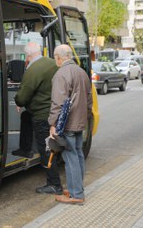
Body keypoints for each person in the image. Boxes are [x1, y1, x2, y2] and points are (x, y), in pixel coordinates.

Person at [14, 42, 63, 194]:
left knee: (46, 149)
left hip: (42, 115)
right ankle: (25, 149)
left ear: (28, 56)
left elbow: (22, 98)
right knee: (51, 144)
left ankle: (54, 184)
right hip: (55, 112)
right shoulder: (52, 63)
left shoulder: (33, 70)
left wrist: (18, 101)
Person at [48, 44, 92, 205]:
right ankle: (77, 188)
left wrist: (52, 123)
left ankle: (76, 194)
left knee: (70, 156)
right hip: (80, 121)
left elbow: (57, 102)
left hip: (67, 124)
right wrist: (85, 118)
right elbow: (88, 100)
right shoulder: (82, 72)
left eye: (55, 58)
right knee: (78, 155)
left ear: (59, 57)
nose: (55, 61)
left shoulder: (61, 74)